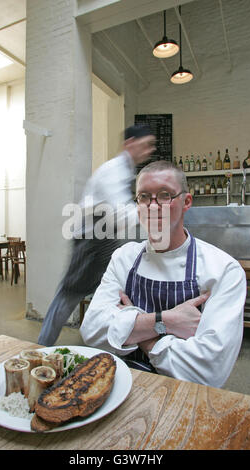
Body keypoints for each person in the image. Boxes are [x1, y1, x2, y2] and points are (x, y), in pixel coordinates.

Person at [80, 161, 247, 388]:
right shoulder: (123, 258)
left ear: (186, 201)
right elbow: (92, 331)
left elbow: (208, 370)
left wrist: (140, 332)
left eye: (165, 195)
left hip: (184, 397)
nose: (153, 206)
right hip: (120, 388)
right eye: (144, 197)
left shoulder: (223, 270)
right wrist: (166, 321)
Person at [38, 125, 156, 346]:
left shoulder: (127, 170)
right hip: (91, 241)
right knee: (69, 295)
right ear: (129, 143)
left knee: (111, 289)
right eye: (145, 144)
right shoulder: (114, 169)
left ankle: (108, 342)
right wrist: (152, 213)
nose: (149, 150)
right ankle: (41, 347)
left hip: (105, 239)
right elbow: (120, 211)